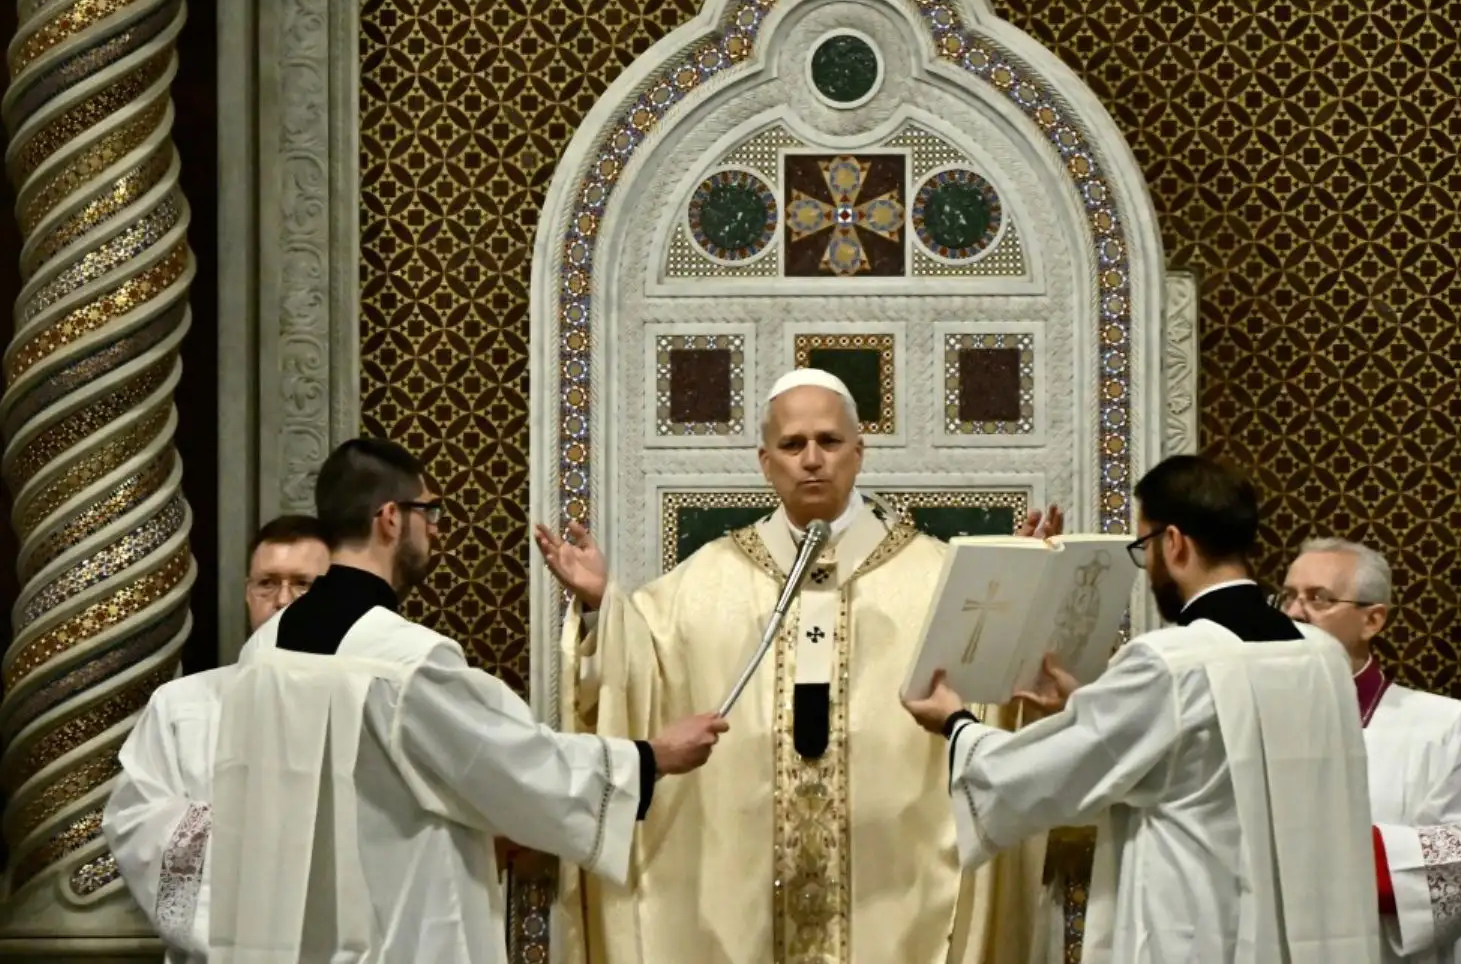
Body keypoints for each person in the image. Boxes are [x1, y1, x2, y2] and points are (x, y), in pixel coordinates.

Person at [539, 368, 1057, 963]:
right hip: (745, 896)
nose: (812, 459)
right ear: (765, 462)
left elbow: (999, 706)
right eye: (792, 444)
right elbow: (639, 668)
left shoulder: (936, 578)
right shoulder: (710, 579)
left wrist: (1021, 595)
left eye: (829, 441)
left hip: (898, 890)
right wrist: (602, 606)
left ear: (859, 453)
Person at [204, 437, 727, 963]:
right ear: (390, 519)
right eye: (427, 511)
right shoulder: (403, 660)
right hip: (396, 941)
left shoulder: (263, 652)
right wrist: (652, 757)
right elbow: (518, 766)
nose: (435, 529)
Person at [902, 455, 1381, 962]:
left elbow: (1039, 777)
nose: (1147, 564)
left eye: (1144, 546)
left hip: (1202, 936)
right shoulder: (1321, 655)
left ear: (1173, 542)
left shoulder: (1172, 663)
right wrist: (1085, 703)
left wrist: (956, 724)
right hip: (1308, 934)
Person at [103, 516, 332, 963]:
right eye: (267, 583)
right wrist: (248, 830)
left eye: (303, 584)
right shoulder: (180, 705)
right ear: (247, 593)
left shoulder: (366, 702)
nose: (283, 600)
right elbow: (136, 824)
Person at [1280, 539, 1461, 962]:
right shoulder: (1252, 715)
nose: (1294, 612)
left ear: (1372, 620)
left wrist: (1328, 854)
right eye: (1288, 596)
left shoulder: (1441, 725)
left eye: (1318, 599)